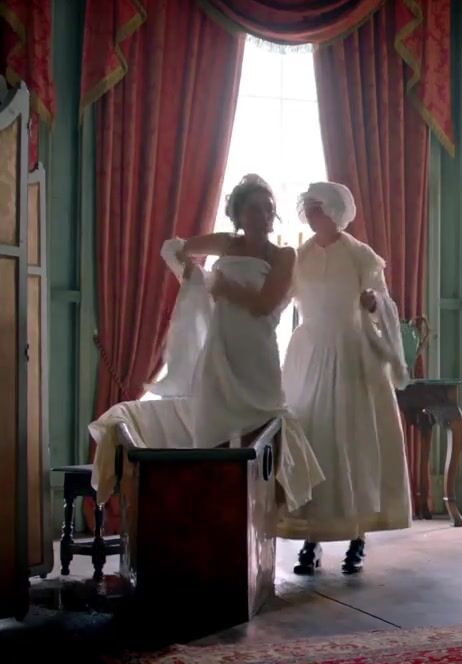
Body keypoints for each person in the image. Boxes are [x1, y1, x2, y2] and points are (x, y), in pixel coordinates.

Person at [90, 174, 323, 515]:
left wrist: (225, 289)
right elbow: (174, 248)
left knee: (264, 432)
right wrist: (194, 279)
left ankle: (259, 518)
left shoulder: (283, 255)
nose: (263, 216)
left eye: (268, 209)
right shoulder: (226, 244)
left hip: (258, 356)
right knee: (214, 433)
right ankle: (216, 511)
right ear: (239, 214)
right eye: (255, 209)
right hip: (219, 351)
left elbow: (265, 304)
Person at [278, 181, 412, 575]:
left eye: (318, 208)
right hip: (310, 354)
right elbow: (278, 299)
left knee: (354, 442)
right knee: (312, 440)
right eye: (308, 208)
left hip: (351, 356)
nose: (311, 214)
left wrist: (373, 304)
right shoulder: (300, 256)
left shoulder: (359, 255)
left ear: (335, 211)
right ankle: (312, 537)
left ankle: (358, 536)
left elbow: (384, 303)